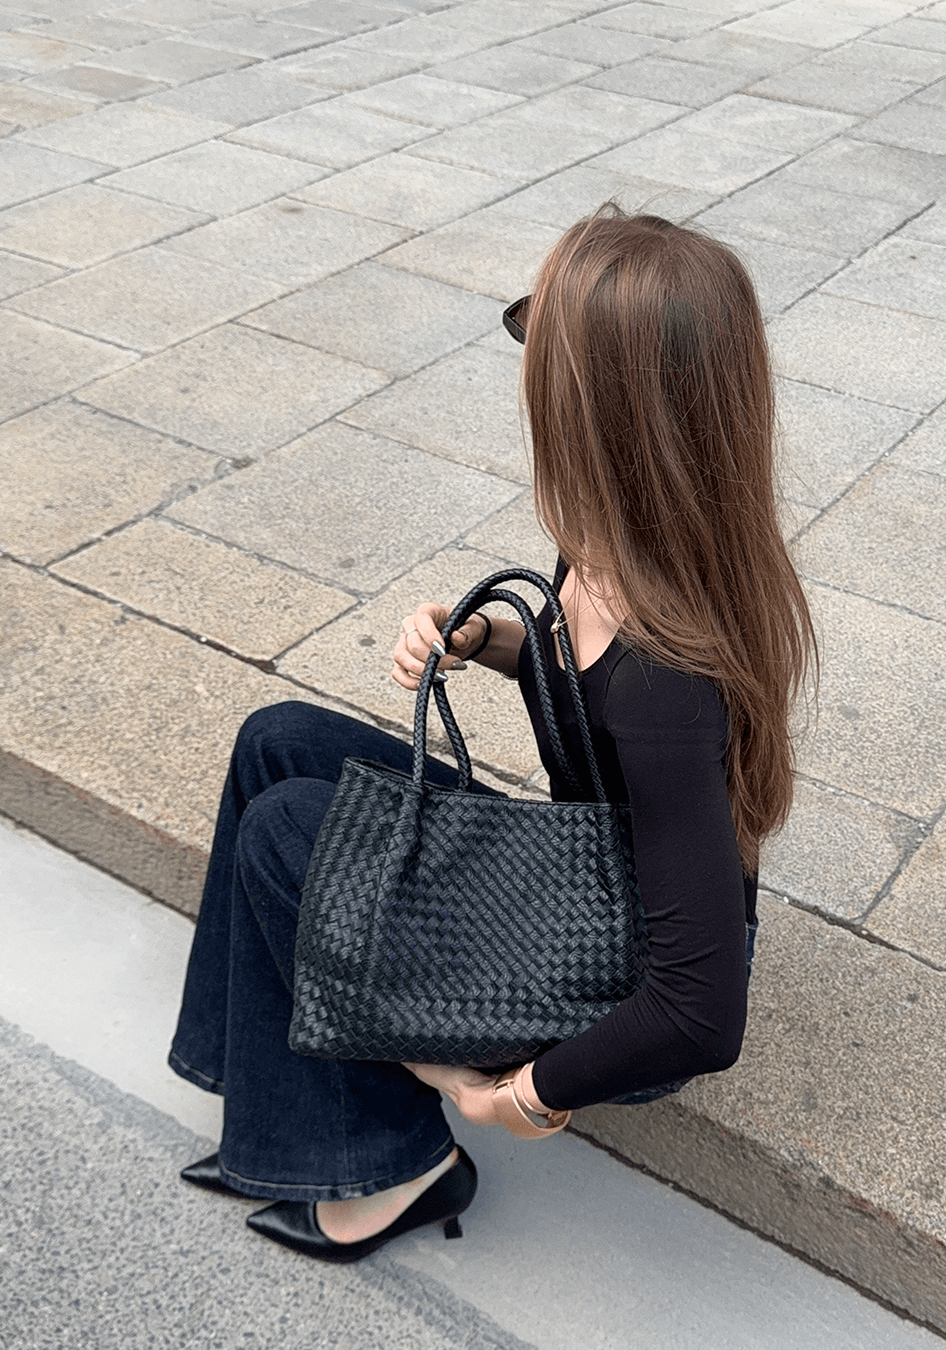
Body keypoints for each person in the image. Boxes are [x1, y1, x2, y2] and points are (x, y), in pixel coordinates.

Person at [169, 207, 815, 1263]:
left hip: (617, 974)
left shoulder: (669, 682)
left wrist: (517, 1096)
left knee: (292, 832)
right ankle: (266, 1100)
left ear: (594, 404)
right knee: (276, 741)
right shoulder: (610, 542)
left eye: (535, 345)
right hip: (588, 875)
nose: (521, 367)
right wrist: (488, 639)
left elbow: (701, 1012)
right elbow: (582, 679)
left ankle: (395, 1166)